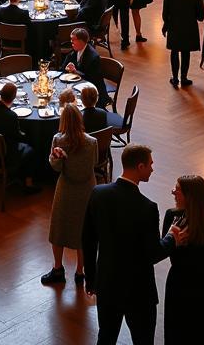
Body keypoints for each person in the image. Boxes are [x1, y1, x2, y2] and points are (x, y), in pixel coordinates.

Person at [82, 144, 184, 345]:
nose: (153, 169)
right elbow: (153, 254)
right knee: (143, 340)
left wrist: (91, 279)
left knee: (106, 337)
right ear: (140, 167)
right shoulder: (147, 208)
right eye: (150, 165)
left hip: (108, 284)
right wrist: (172, 238)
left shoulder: (98, 194)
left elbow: (88, 239)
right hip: (138, 291)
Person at [161, 175, 204, 344]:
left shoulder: (172, 218)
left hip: (179, 285)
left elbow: (170, 256)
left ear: (189, 197)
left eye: (178, 190)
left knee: (178, 332)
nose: (173, 192)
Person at [42, 103, 98, 285]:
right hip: (87, 190)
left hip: (66, 189)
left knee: (59, 229)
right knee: (84, 232)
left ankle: (58, 269)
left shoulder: (58, 140)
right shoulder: (92, 142)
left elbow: (56, 168)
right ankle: (80, 272)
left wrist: (54, 157)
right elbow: (95, 163)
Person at [0, 83, 40, 189]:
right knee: (31, 148)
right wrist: (29, 135)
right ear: (14, 98)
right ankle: (28, 183)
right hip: (5, 155)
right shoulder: (11, 116)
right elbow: (18, 137)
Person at [161, 0, 204, 88]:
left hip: (174, 25)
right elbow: (201, 16)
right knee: (186, 52)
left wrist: (166, 24)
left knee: (174, 52)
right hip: (189, 26)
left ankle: (175, 78)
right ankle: (184, 77)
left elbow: (165, 12)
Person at [62, 27, 107, 107]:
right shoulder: (75, 51)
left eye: (73, 39)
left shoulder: (93, 57)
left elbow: (91, 79)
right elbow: (63, 68)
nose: (71, 41)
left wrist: (75, 71)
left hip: (93, 95)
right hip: (80, 88)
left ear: (81, 41)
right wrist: (67, 67)